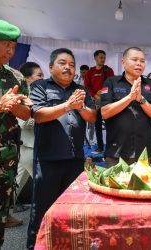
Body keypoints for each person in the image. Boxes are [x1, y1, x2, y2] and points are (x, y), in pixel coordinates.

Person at [27, 48, 96, 249]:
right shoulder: (41, 86)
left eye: (72, 64)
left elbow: (92, 117)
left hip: (75, 160)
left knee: (72, 210)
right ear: (51, 67)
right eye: (63, 63)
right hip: (48, 159)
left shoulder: (81, 90)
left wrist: (80, 106)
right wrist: (67, 105)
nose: (68, 68)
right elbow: (38, 114)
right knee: (42, 211)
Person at [0, 19, 31, 249]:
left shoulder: (16, 77)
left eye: (13, 47)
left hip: (5, 158)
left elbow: (26, 114)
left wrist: (14, 106)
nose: (10, 50)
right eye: (6, 45)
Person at [101, 47, 151, 166]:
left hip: (142, 155)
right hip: (116, 154)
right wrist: (130, 97)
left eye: (142, 61)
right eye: (134, 59)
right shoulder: (111, 82)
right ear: (123, 62)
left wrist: (141, 99)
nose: (139, 63)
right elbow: (105, 112)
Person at [14, 62, 44, 205]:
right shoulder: (27, 95)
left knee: (15, 184)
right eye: (39, 75)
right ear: (28, 79)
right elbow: (24, 122)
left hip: (25, 147)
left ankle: (4, 214)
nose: (43, 78)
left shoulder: (34, 93)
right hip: (30, 148)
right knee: (44, 185)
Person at [84, 50, 114, 153]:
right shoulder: (90, 71)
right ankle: (100, 147)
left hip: (106, 101)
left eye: (104, 57)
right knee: (97, 125)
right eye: (101, 57)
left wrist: (103, 92)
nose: (103, 59)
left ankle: (111, 148)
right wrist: (94, 95)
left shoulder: (108, 70)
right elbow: (87, 86)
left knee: (110, 124)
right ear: (95, 58)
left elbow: (111, 84)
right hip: (95, 102)